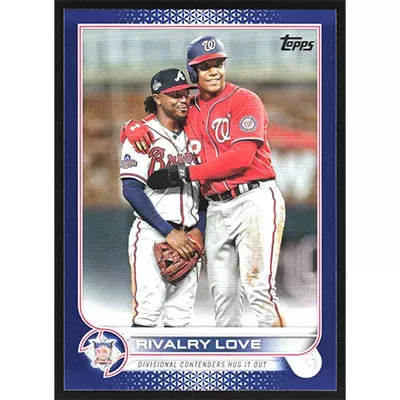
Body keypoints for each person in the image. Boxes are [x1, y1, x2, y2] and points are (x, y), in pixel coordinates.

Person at [125, 36, 286, 328]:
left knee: (259, 289)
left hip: (253, 199)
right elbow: (160, 117)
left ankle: (285, 354)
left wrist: (185, 173)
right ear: (193, 72)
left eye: (218, 64)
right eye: (205, 66)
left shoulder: (245, 100)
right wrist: (131, 127)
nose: (213, 71)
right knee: (222, 296)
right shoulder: (190, 108)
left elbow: (241, 158)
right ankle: (232, 353)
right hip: (215, 208)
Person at [119, 68, 206, 327]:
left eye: (186, 94)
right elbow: (131, 189)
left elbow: (207, 190)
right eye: (174, 95)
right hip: (153, 233)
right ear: (157, 98)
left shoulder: (196, 133)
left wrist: (199, 229)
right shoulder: (142, 135)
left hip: (189, 237)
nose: (183, 100)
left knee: (180, 318)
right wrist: (168, 232)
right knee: (147, 313)